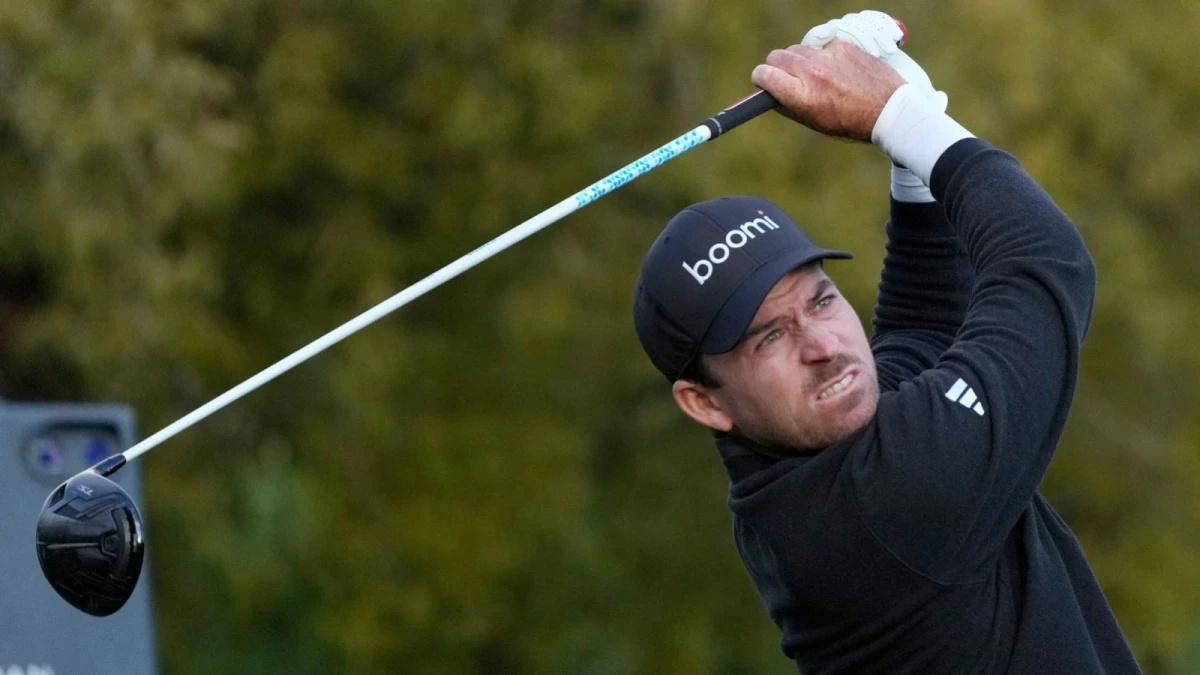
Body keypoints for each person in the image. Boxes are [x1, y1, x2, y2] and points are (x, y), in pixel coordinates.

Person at [630, 11, 1142, 674]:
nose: (823, 345)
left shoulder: (795, 469)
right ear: (703, 402)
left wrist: (911, 143)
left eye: (820, 299)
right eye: (769, 338)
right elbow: (1048, 266)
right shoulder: (891, 504)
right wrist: (900, 116)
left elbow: (925, 328)